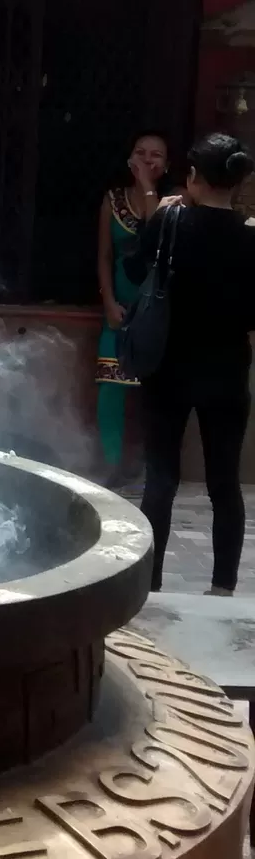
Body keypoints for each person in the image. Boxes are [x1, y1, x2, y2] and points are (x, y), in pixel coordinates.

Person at [124, 132, 255, 594]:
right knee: (224, 483)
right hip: (227, 373)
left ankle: (151, 585)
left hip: (168, 369)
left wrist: (154, 210)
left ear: (194, 176)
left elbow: (135, 270)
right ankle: (222, 589)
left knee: (161, 478)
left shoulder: (170, 221)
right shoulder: (248, 237)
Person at [96, 133, 171, 482]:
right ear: (128, 157)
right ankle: (111, 466)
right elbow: (104, 256)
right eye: (140, 153)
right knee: (110, 387)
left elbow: (161, 240)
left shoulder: (174, 204)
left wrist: (146, 185)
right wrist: (109, 302)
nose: (147, 160)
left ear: (166, 165)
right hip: (119, 309)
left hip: (156, 314)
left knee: (153, 394)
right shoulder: (112, 201)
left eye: (155, 156)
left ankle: (149, 469)